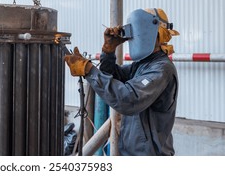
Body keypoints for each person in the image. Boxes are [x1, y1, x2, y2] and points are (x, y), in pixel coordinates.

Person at [64, 8, 180, 156]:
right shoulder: (142, 66)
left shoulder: (161, 69)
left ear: (159, 33)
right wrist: (108, 52)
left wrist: (88, 70)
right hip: (132, 153)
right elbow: (112, 76)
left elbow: (128, 99)